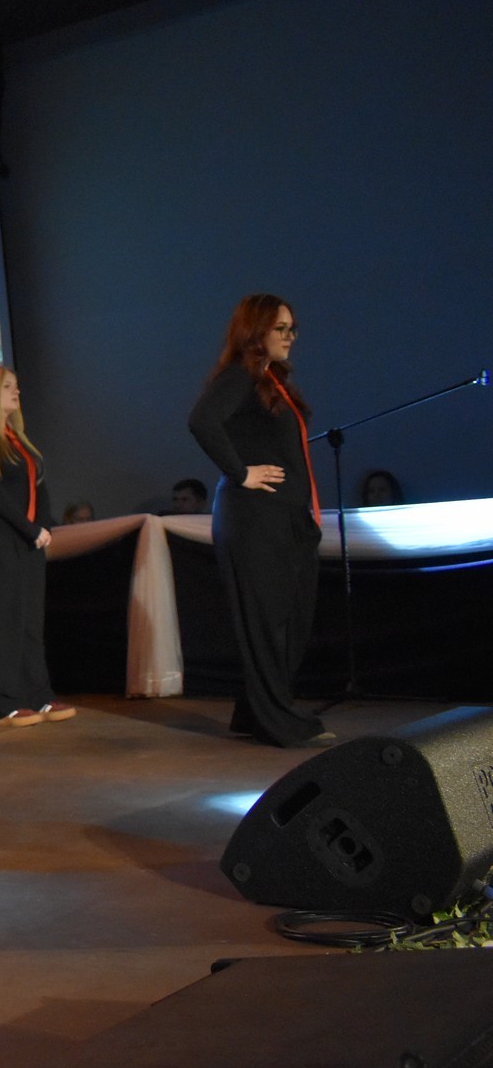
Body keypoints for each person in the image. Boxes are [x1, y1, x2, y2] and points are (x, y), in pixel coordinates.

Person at [188, 294, 331, 748]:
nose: (290, 337)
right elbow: (201, 420)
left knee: (290, 619)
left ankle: (255, 712)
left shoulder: (270, 380)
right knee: (268, 623)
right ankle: (276, 718)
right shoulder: (240, 376)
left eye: (292, 328)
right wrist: (240, 472)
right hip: (254, 520)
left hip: (282, 519)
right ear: (256, 332)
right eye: (280, 329)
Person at [0, 367, 74, 727]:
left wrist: (45, 525)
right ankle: (5, 704)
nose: (16, 392)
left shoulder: (18, 439)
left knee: (29, 623)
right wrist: (29, 529)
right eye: (8, 387)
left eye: (17, 386)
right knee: (0, 622)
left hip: (27, 540)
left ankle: (39, 696)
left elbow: (40, 486)